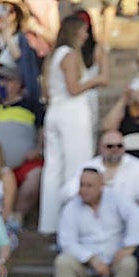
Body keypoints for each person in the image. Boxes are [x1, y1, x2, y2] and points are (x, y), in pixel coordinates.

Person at [38, 13, 108, 235]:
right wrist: (97, 79)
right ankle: (72, 224)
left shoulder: (53, 56)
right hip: (72, 113)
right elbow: (73, 88)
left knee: (53, 171)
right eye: (83, 32)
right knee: (76, 167)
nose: (86, 36)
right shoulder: (68, 55)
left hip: (55, 112)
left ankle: (49, 224)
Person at [54, 167, 139, 277]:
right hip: (86, 268)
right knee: (62, 262)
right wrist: (92, 259)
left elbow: (136, 216)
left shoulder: (116, 199)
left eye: (89, 186)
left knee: (129, 262)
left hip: (115, 264)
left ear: (101, 185)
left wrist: (129, 247)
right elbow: (66, 242)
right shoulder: (71, 208)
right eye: (82, 185)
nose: (84, 190)